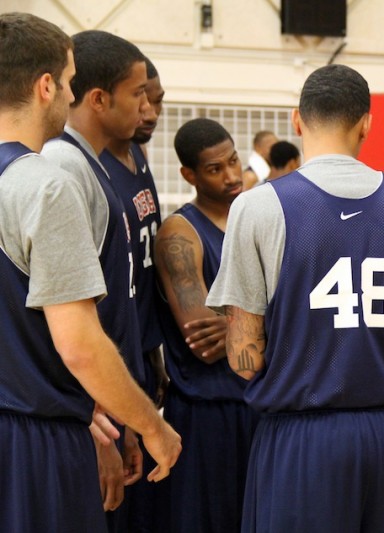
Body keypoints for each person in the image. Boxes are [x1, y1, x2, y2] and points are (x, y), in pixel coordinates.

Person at [206, 64, 384, 532]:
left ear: (297, 121)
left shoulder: (257, 207)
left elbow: (244, 361)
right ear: (367, 124)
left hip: (300, 441)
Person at [0, 13, 180, 532]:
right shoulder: (44, 184)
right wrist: (151, 426)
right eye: (71, 81)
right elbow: (79, 344)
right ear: (46, 86)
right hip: (32, 437)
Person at [41, 29, 158, 527]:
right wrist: (100, 423)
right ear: (97, 98)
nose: (146, 107)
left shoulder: (99, 164)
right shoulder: (63, 167)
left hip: (111, 399)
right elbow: (67, 322)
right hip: (82, 411)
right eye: (138, 94)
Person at [153, 117, 255, 532]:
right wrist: (271, 317)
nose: (231, 175)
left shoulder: (251, 220)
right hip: (204, 413)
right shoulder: (180, 232)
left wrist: (236, 323)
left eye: (233, 161)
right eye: (216, 169)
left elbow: (233, 333)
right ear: (189, 175)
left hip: (254, 402)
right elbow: (204, 339)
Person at [99, 55, 167, 532]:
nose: (149, 111)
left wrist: (152, 349)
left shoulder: (137, 153)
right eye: (141, 98)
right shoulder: (87, 166)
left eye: (157, 99)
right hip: (103, 362)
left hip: (137, 350)